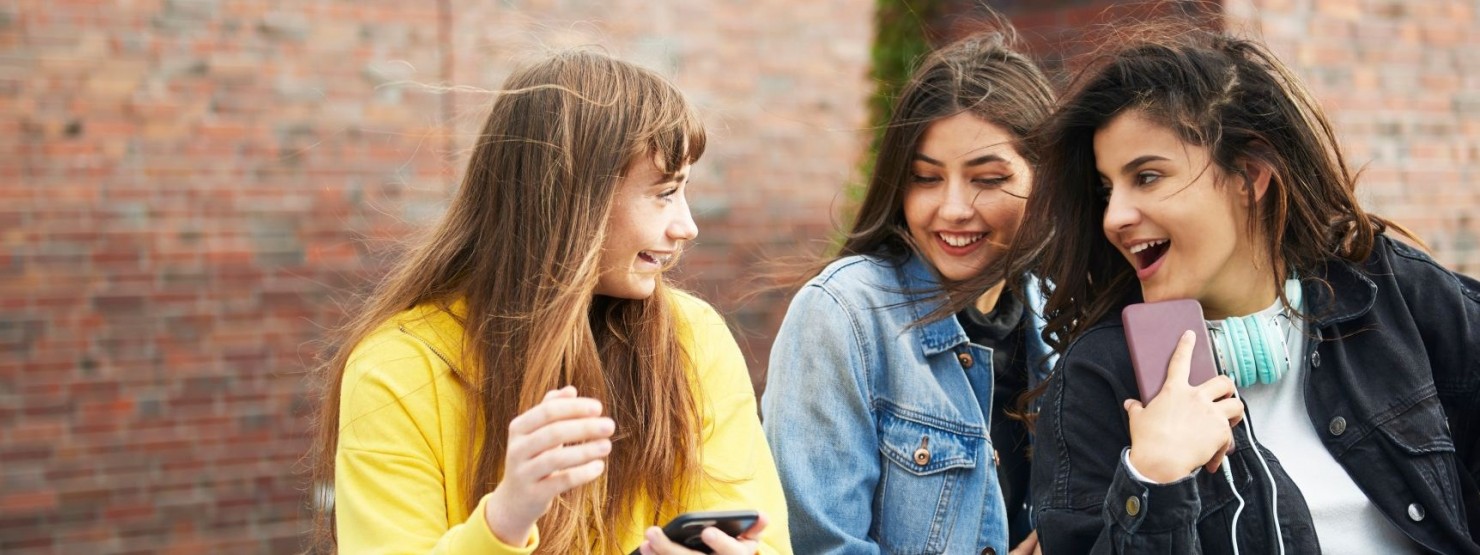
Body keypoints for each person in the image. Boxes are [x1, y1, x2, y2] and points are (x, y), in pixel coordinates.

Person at [1009, 24, 1480, 553]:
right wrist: (1152, 481)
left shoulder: (1399, 299)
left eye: (1147, 177)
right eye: (1106, 188)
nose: (1114, 217)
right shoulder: (1099, 379)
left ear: (1249, 175)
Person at [307, 50, 791, 555]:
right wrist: (505, 520)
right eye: (665, 192)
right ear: (570, 199)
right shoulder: (397, 367)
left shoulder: (694, 337)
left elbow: (766, 536)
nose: (687, 226)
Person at [761, 30, 1057, 554]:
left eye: (986, 179)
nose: (953, 208)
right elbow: (819, 545)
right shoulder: (843, 314)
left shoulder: (1059, 312)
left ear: (1046, 179)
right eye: (926, 178)